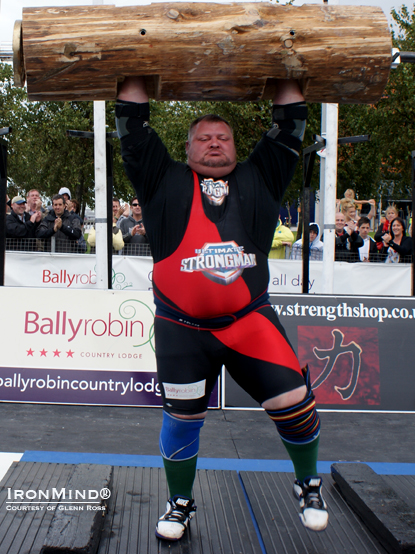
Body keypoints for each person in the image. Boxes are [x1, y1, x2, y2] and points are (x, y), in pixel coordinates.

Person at [116, 76, 328, 541]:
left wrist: (290, 65)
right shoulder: (162, 179)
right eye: (204, 139)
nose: (215, 144)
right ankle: (179, 504)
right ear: (188, 148)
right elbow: (132, 126)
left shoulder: (261, 176)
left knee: (293, 400)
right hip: (181, 328)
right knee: (183, 417)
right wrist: (131, 67)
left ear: (235, 146)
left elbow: (291, 123)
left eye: (223, 137)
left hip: (248, 321)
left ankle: (308, 484)